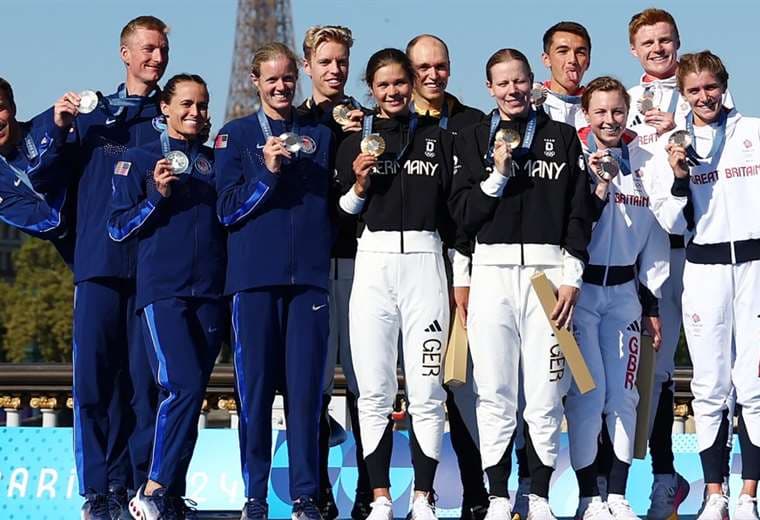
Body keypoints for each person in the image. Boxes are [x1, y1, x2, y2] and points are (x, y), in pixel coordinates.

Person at [29, 16, 169, 519]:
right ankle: (97, 492)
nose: (156, 58)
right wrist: (59, 126)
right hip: (97, 265)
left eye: (162, 50)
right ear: (124, 54)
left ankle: (140, 488)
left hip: (153, 269)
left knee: (144, 384)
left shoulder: (172, 117)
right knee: (93, 384)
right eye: (148, 49)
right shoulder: (90, 117)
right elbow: (44, 177)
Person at [449, 48, 594, 520]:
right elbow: (461, 217)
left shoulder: (563, 136)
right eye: (502, 84)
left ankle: (539, 496)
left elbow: (578, 212)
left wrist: (572, 276)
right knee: (494, 392)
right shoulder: (470, 140)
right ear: (489, 88)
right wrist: (497, 175)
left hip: (547, 276)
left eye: (519, 82)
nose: (512, 91)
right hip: (491, 274)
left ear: (533, 83)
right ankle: (497, 496)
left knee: (548, 393)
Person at [335, 47, 459, 520]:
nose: (392, 92)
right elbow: (343, 214)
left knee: (428, 390)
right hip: (374, 263)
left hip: (426, 261)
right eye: (383, 85)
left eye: (400, 83)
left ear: (412, 84)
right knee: (374, 392)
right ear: (371, 89)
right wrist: (360, 187)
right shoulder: (355, 140)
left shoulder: (439, 138)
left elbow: (454, 212)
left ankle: (424, 499)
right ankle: (381, 498)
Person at [215, 42, 334, 520]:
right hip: (253, 282)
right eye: (272, 79)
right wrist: (265, 174)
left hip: (308, 281)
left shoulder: (321, 136)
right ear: (254, 81)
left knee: (306, 396)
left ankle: (306, 497)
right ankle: (255, 497)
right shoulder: (236, 135)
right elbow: (225, 210)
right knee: (255, 395)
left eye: (289, 78)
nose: (282, 86)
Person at [626, 10, 735, 516]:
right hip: (643, 255)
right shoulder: (623, 102)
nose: (657, 49)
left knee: (712, 373)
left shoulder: (705, 93)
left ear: (678, 41)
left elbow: (725, 154)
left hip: (695, 254)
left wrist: (685, 124)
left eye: (665, 40)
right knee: (650, 372)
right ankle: (665, 478)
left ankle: (724, 486)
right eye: (647, 42)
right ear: (633, 49)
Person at [106, 73, 224, 519]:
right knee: (181, 385)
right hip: (163, 292)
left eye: (203, 105)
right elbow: (116, 229)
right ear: (165, 110)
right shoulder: (137, 160)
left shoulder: (215, 162)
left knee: (190, 397)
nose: (196, 113)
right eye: (187, 105)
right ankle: (150, 489)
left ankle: (171, 496)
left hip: (211, 294)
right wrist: (156, 196)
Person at [653, 50, 759, 520]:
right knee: (711, 385)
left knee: (753, 387)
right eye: (693, 90)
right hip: (704, 268)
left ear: (724, 85)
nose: (704, 97)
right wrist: (679, 177)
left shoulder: (754, 133)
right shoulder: (674, 145)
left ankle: (748, 496)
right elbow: (670, 221)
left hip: (755, 266)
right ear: (683, 94)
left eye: (710, 87)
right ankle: (714, 493)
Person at [564, 76, 669, 520]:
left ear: (628, 112)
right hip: (582, 293)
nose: (609, 120)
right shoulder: (574, 154)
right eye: (600, 112)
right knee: (588, 395)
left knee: (624, 395)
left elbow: (658, 238)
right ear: (586, 114)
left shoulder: (648, 159)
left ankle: (619, 495)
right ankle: (589, 495)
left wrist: (652, 301)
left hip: (625, 295)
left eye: (617, 112)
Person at [406, 33, 489, 520]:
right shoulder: (391, 123)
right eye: (424, 68)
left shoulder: (473, 122)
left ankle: (477, 493)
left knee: (461, 382)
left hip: (461, 265)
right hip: (405, 265)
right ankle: (417, 492)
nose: (433, 75)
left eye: (441, 65)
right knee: (410, 387)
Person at [296, 25, 373, 520]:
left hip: (365, 260)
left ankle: (371, 490)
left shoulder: (367, 121)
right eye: (325, 61)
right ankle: (316, 492)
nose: (334, 69)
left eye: (341, 61)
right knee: (316, 384)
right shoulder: (294, 121)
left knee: (367, 385)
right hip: (314, 264)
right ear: (308, 66)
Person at [0, 77, 73, 266]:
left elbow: (114, 150)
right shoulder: (58, 130)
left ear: (13, 107)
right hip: (89, 265)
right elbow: (49, 223)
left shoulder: (56, 121)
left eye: (0, 108)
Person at [537, 21, 592, 130]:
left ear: (588, 62)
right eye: (563, 51)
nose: (572, 60)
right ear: (546, 60)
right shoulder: (529, 104)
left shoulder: (600, 108)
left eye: (580, 53)